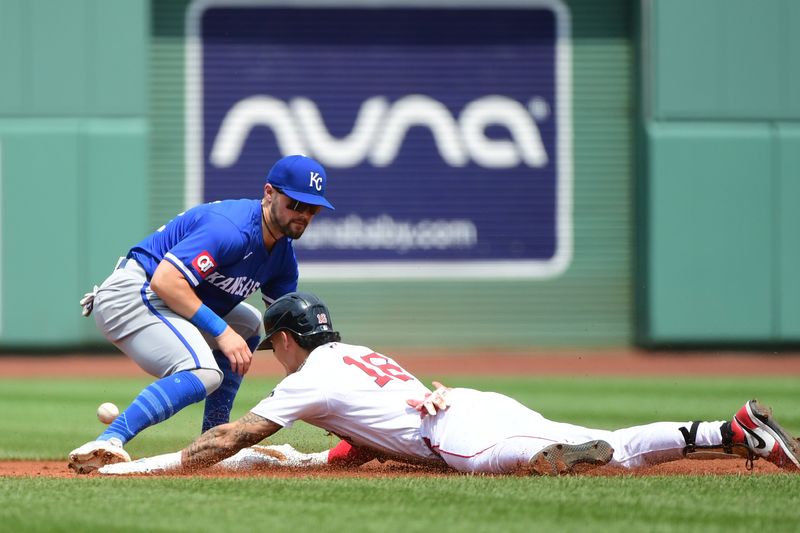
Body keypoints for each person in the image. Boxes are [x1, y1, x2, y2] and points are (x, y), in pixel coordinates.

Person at [96, 292, 800, 477]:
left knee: (548, 458)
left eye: (270, 342)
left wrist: (161, 465)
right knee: (612, 444)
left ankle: (542, 460)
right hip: (470, 399)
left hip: (452, 430)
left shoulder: (307, 379)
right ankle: (726, 431)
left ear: (283, 339)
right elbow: (367, 436)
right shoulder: (357, 353)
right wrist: (340, 456)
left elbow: (235, 434)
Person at [68, 156, 334, 474]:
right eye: (295, 204)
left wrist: (324, 393)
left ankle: (213, 443)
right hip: (132, 294)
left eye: (311, 208)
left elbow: (287, 331)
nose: (303, 215)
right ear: (269, 193)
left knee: (249, 325)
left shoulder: (283, 259)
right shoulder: (231, 228)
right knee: (205, 370)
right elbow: (165, 281)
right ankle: (110, 440)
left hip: (165, 301)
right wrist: (221, 331)